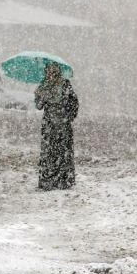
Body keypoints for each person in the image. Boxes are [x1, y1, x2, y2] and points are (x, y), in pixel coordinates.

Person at [34, 62, 79, 191]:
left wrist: (68, 116)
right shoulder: (43, 86)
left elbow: (74, 102)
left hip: (63, 124)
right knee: (49, 152)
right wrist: (40, 96)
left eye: (54, 72)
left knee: (63, 151)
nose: (51, 74)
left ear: (58, 72)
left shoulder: (65, 84)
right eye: (49, 72)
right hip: (49, 124)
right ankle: (48, 180)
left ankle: (63, 180)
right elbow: (38, 106)